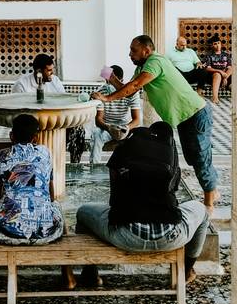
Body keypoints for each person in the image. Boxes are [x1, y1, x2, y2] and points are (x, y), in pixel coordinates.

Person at [90, 35, 219, 213]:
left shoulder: (155, 61)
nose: (130, 54)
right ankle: (213, 189)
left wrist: (106, 98)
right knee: (192, 158)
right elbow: (129, 89)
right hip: (185, 117)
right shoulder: (144, 66)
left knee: (200, 157)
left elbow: (134, 86)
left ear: (146, 50)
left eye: (133, 50)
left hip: (196, 114)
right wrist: (112, 79)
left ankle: (209, 203)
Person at [76, 122, 209, 287]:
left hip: (125, 236)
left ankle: (90, 275)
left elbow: (113, 198)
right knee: (203, 211)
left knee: (82, 213)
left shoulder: (124, 151)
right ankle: (187, 271)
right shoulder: (170, 155)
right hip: (170, 237)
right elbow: (173, 194)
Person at [0, 113, 74, 290]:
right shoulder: (44, 152)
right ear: (36, 138)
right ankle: (68, 275)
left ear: (11, 136)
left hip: (10, 231)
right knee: (56, 206)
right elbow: (51, 196)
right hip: (45, 231)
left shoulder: (3, 155)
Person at [13, 54, 86, 163]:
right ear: (38, 71)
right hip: (31, 124)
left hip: (54, 121)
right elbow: (18, 111)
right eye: (49, 70)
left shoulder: (55, 81)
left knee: (78, 129)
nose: (52, 73)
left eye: (52, 70)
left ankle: (75, 165)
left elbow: (64, 101)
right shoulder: (22, 85)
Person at [90, 65, 142, 163]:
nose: (108, 84)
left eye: (112, 81)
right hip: (107, 128)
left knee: (138, 136)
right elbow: (98, 120)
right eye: (107, 81)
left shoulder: (132, 93)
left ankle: (130, 167)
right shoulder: (101, 92)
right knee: (96, 134)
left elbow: (137, 120)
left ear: (121, 80)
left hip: (125, 127)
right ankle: (94, 165)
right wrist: (109, 128)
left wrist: (126, 128)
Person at [201, 35, 232, 104]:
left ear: (221, 44)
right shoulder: (209, 55)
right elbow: (208, 68)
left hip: (225, 76)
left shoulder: (226, 55)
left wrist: (225, 77)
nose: (217, 45)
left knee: (233, 72)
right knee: (217, 75)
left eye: (218, 43)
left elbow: (230, 68)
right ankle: (215, 97)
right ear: (212, 46)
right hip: (213, 77)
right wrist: (220, 71)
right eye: (215, 44)